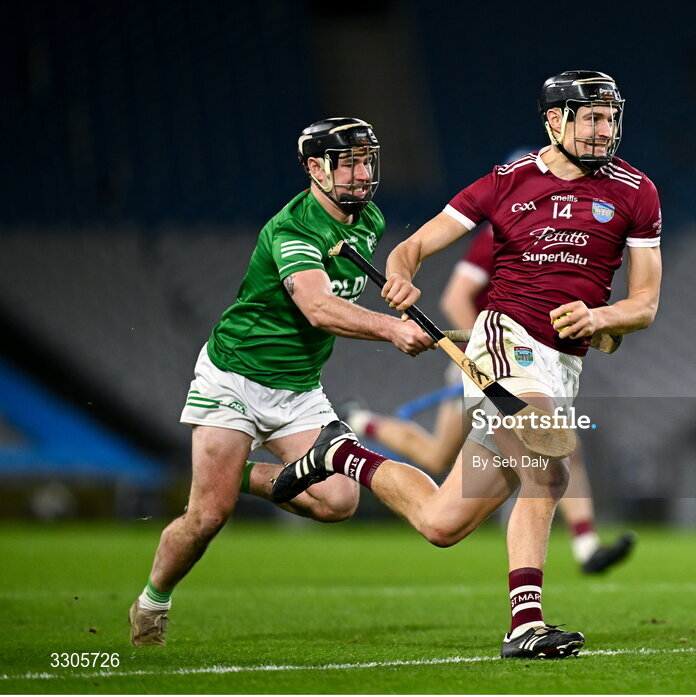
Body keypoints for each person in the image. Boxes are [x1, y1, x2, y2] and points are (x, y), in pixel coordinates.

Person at [274, 70, 662, 659]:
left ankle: (339, 452)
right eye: (592, 118)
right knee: (549, 466)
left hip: (563, 364)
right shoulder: (506, 183)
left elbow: (645, 304)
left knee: (442, 522)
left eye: (611, 117)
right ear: (554, 122)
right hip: (506, 342)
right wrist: (400, 279)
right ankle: (525, 625)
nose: (605, 130)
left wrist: (601, 318)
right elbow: (412, 248)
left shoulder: (638, 192)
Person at [128, 117, 435, 647]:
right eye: (351, 163)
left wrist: (395, 300)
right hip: (235, 377)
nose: (364, 174)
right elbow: (316, 306)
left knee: (339, 502)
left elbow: (339, 291)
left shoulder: (369, 220)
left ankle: (235, 472)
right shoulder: (293, 228)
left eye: (368, 161)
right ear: (315, 168)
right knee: (208, 516)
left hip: (298, 388)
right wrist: (390, 329)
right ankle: (152, 603)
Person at [342, 217, 636, 573]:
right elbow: (455, 298)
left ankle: (586, 546)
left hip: (526, 363)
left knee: (555, 448)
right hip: (485, 359)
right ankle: (357, 423)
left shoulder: (561, 239)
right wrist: (478, 355)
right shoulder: (502, 229)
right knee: (439, 457)